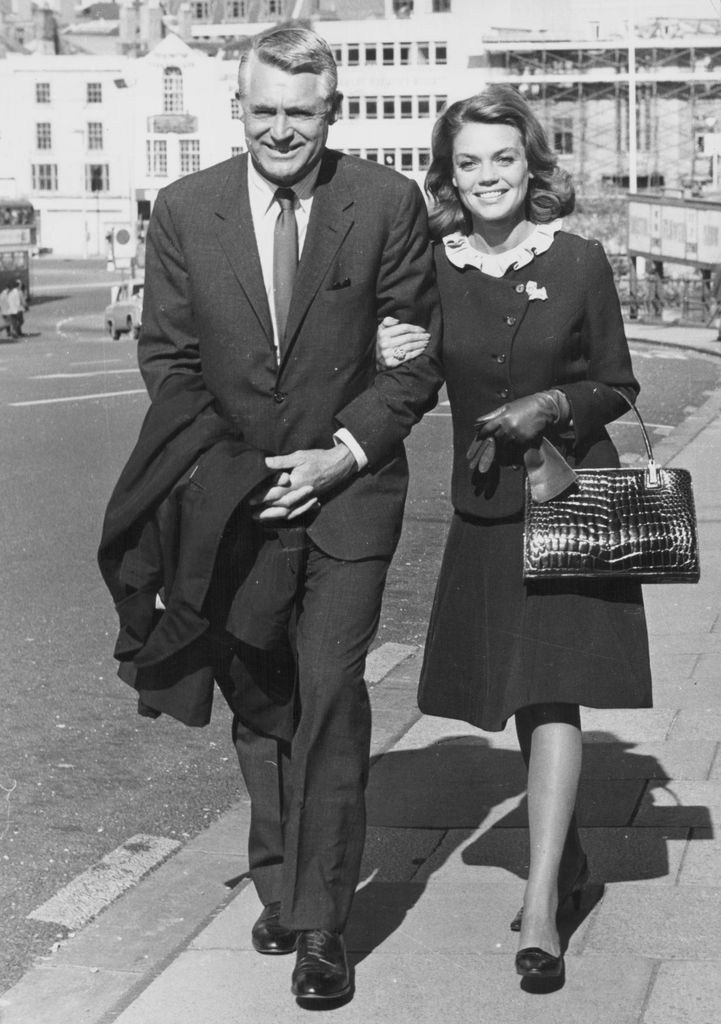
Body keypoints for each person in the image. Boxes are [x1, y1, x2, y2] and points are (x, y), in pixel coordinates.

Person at [99, 23, 441, 1004]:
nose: (281, 131)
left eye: (302, 112)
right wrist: (244, 474)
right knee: (255, 689)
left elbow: (408, 356)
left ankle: (323, 921)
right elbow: (168, 363)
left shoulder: (384, 205)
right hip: (235, 499)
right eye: (265, 111)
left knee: (329, 689)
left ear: (330, 112)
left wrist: (341, 454)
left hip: (350, 498)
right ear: (238, 108)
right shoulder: (183, 209)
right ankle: (279, 876)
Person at [376, 85, 652, 986]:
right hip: (488, 507)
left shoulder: (576, 259)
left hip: (570, 494)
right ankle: (563, 858)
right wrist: (386, 347)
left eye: (503, 158)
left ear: (530, 165)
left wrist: (553, 403)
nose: (487, 175)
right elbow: (404, 363)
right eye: (469, 162)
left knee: (555, 690)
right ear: (447, 175)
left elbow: (615, 383)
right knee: (522, 701)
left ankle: (540, 906)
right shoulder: (429, 262)